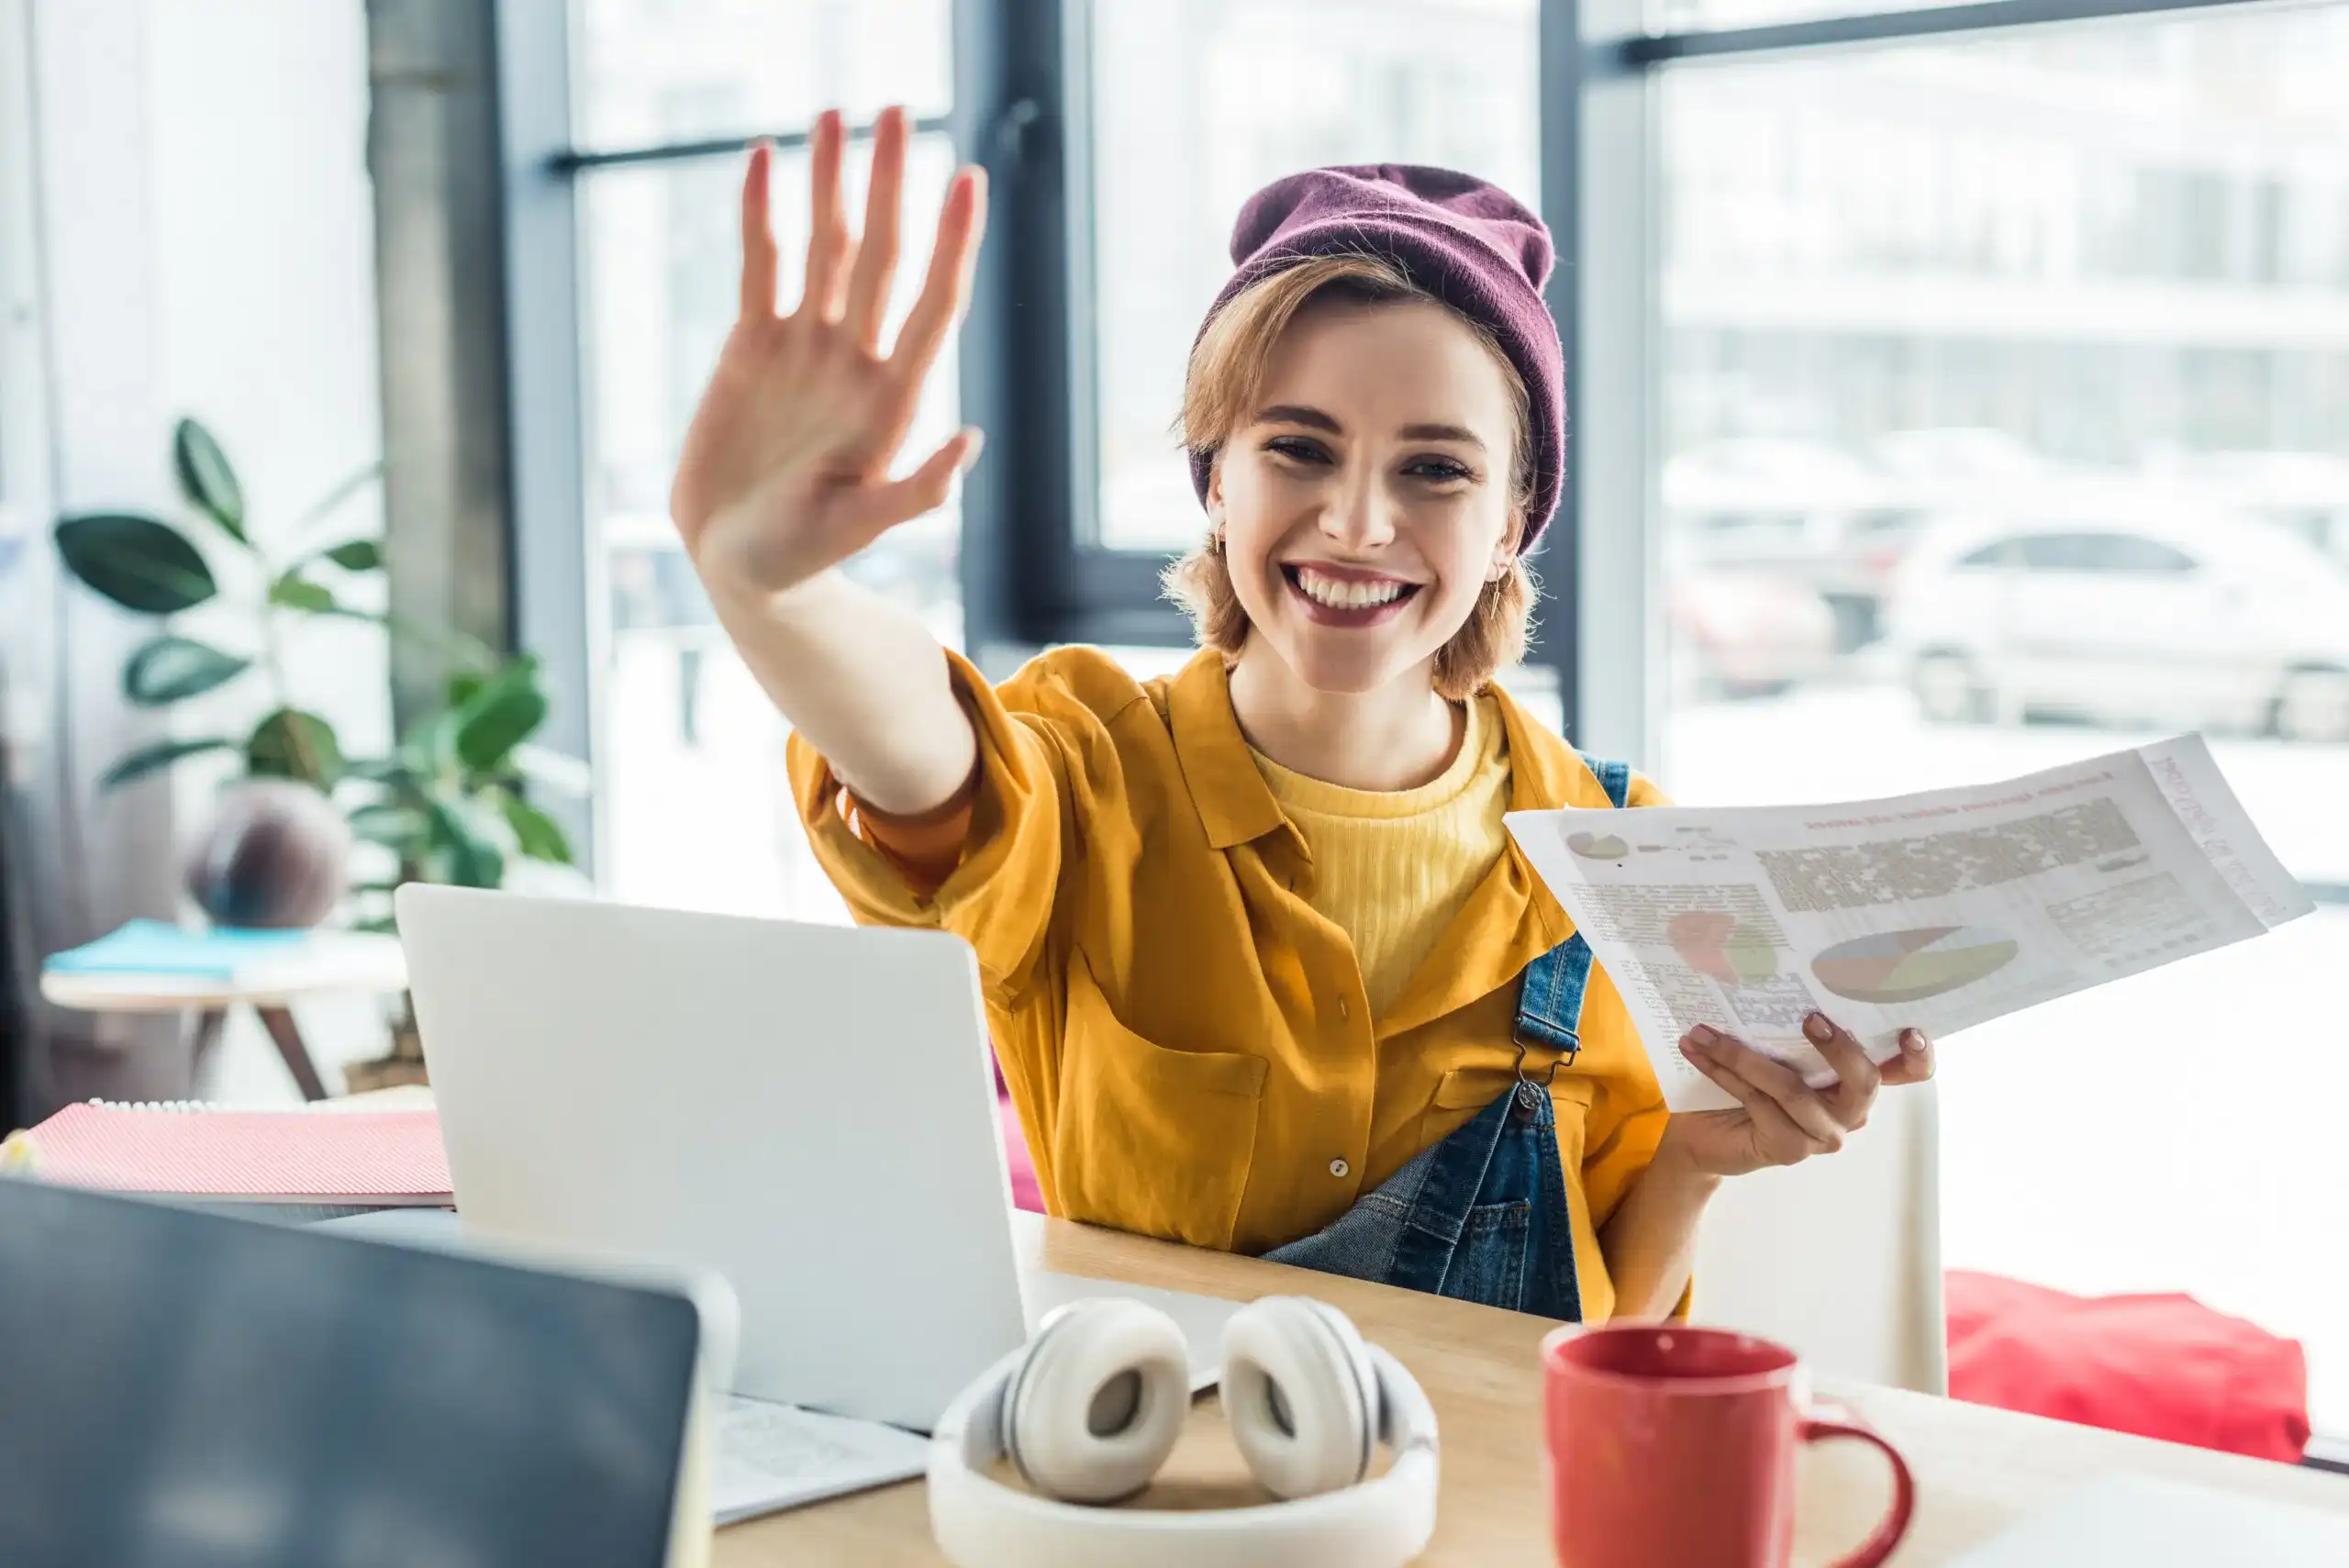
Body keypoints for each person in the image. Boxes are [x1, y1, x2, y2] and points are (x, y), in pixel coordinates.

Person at [668, 107, 1936, 1322]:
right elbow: (921, 763)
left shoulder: (1624, 853)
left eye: (1435, 469)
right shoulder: (1093, 770)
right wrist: (773, 590)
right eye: (1300, 449)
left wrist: (1699, 1163)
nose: (1357, 524)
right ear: (1216, 477)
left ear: (1511, 522)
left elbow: (1589, 1342)